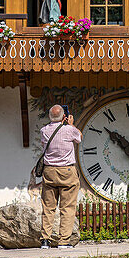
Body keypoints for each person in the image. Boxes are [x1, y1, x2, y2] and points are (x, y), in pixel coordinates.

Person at [39, 104, 83, 249]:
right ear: (64, 116)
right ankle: (63, 240)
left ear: (50, 116)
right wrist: (71, 124)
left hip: (49, 171)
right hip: (67, 172)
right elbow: (79, 138)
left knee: (48, 207)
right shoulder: (69, 130)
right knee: (67, 207)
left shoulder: (44, 131)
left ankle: (45, 239)